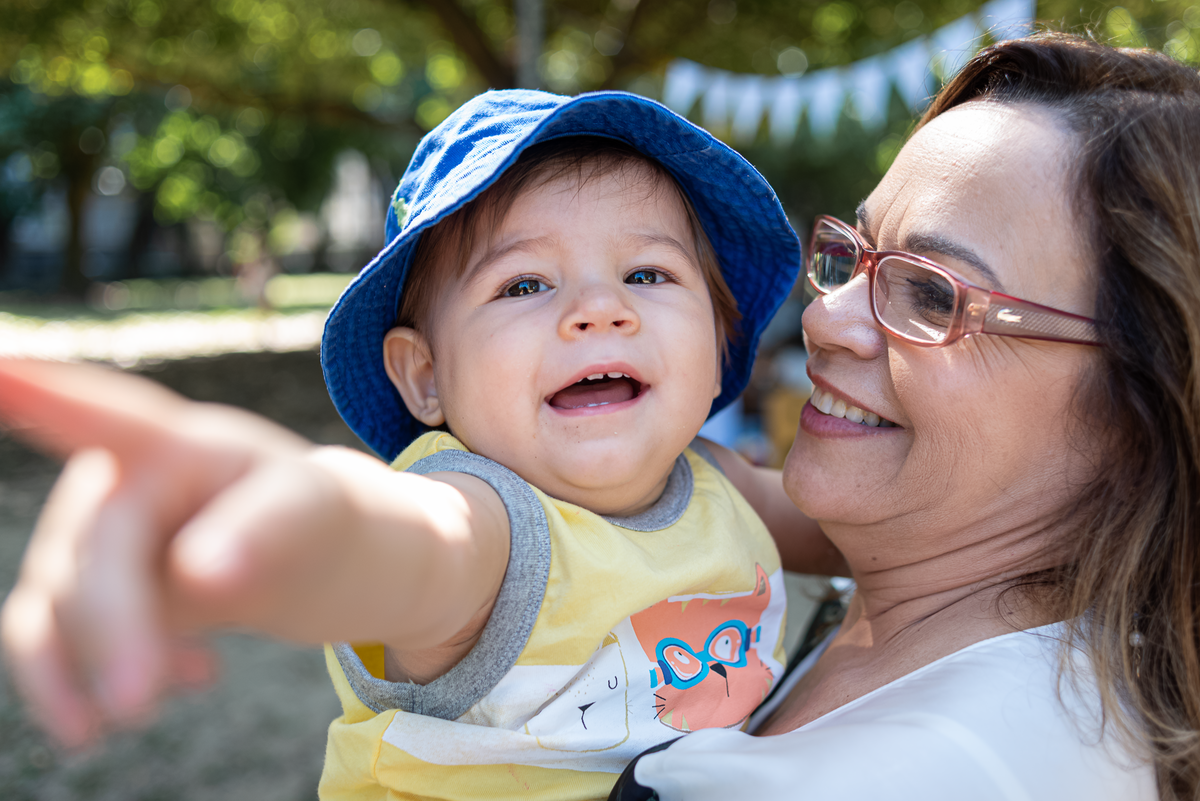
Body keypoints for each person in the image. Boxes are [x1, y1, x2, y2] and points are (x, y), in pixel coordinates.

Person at [0, 90, 837, 801]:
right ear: (426, 377)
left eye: (648, 274)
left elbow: (868, 532)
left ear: (721, 340)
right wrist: (281, 511)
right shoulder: (490, 522)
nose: (599, 309)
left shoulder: (725, 485)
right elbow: (389, 539)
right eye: (525, 284)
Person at [607, 32, 1200, 801]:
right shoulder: (941, 621)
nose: (824, 321)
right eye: (856, 256)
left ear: (1137, 411)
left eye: (930, 294)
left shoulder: (946, 770)